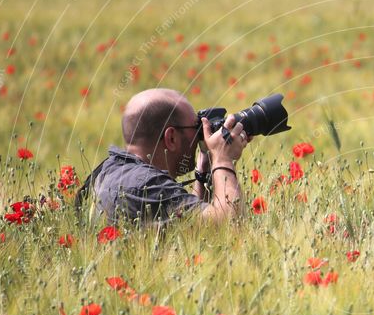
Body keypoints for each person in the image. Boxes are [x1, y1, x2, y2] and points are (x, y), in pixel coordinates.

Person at [76, 88, 248, 224]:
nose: (199, 135)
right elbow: (229, 226)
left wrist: (204, 168)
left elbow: (194, 224)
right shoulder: (146, 185)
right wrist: (222, 158)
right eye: (195, 127)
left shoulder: (108, 171)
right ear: (171, 137)